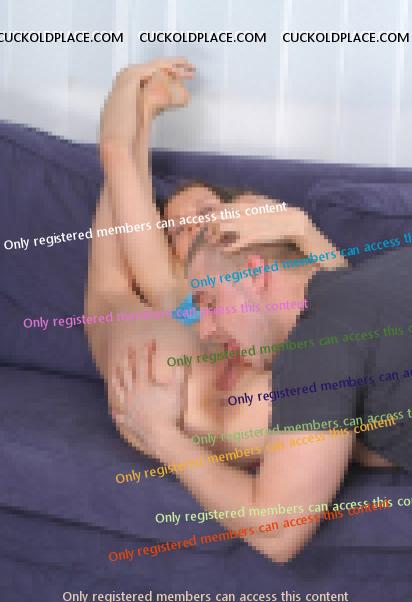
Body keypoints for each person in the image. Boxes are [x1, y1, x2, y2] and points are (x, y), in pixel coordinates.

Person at [112, 55, 412, 563]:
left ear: (256, 273)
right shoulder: (402, 271)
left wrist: (159, 433)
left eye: (210, 302)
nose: (207, 329)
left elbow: (277, 534)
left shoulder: (317, 349)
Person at [85, 58, 343, 454]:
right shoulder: (175, 289)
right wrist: (130, 88)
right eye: (176, 230)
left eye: (204, 212)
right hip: (215, 422)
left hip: (261, 420)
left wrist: (300, 229)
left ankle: (147, 105)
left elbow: (350, 295)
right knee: (109, 288)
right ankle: (147, 106)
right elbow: (118, 162)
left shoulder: (282, 278)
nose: (191, 227)